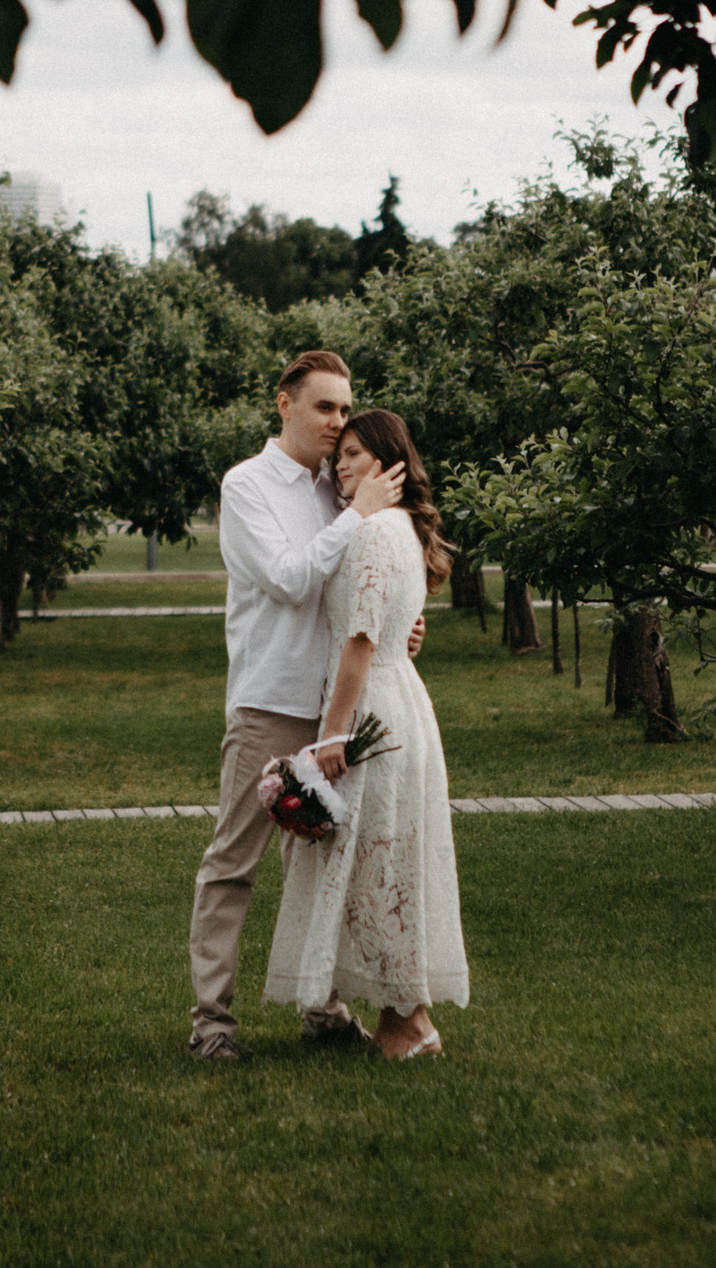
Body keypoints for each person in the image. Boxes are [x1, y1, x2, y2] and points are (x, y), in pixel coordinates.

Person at [189, 350, 420, 1061]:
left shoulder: (337, 485)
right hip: (269, 700)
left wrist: (403, 622)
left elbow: (357, 583)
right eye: (325, 407)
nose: (338, 421)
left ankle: (323, 1008)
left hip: (334, 711)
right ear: (284, 403)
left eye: (346, 409)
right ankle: (212, 1024)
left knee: (322, 866)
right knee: (234, 862)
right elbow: (291, 580)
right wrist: (357, 515)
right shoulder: (248, 485)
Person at [264, 408, 469, 1059]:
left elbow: (359, 640)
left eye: (354, 453)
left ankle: (409, 1020)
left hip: (374, 708)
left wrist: (331, 738)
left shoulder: (375, 530)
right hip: (403, 701)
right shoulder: (401, 527)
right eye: (340, 454)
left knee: (377, 862)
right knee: (381, 860)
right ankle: (395, 1016)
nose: (341, 464)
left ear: (388, 462)